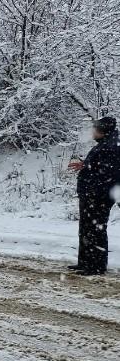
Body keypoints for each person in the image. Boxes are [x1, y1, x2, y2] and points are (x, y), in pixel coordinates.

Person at [68, 117, 120, 276]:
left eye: (95, 129)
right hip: (93, 195)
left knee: (95, 230)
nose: (92, 132)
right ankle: (85, 263)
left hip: (98, 197)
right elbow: (101, 167)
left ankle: (95, 266)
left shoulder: (110, 147)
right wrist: (85, 165)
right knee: (87, 229)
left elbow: (108, 173)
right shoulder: (107, 145)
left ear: (103, 130)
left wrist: (93, 190)